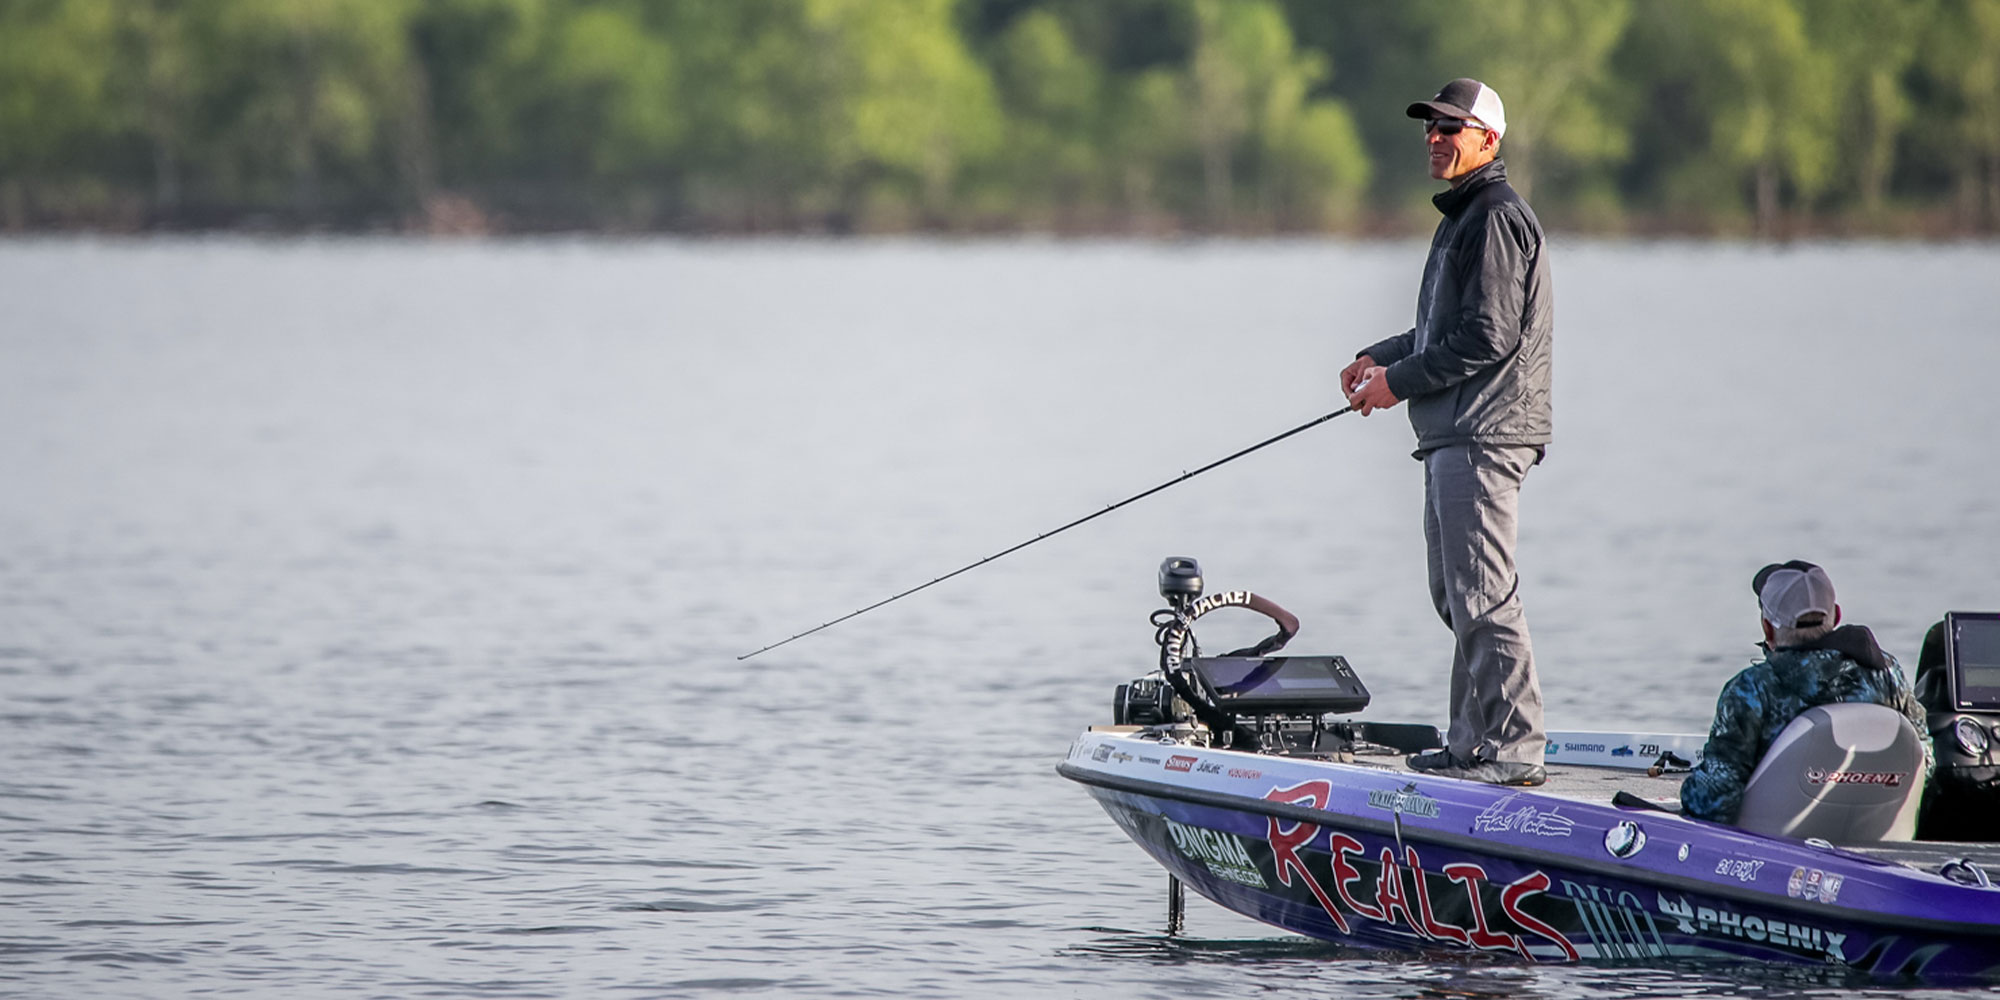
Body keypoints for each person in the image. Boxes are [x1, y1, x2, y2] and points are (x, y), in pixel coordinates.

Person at [1340, 78, 1553, 786]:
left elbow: (1488, 337)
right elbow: (1446, 331)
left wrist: (1395, 384)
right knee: (1457, 594)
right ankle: (1470, 743)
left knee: (1484, 594)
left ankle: (1516, 749)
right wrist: (1383, 356)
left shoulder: (1493, 216)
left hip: (1485, 433)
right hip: (1456, 433)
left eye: (1449, 129)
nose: (1434, 139)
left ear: (1488, 140)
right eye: (1429, 129)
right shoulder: (1464, 216)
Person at [1679, 561, 1931, 823]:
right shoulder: (1888, 674)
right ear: (1837, 615)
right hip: (1876, 836)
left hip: (1775, 846)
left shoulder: (1752, 689)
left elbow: (1714, 800)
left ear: (1767, 627)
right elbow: (1925, 761)